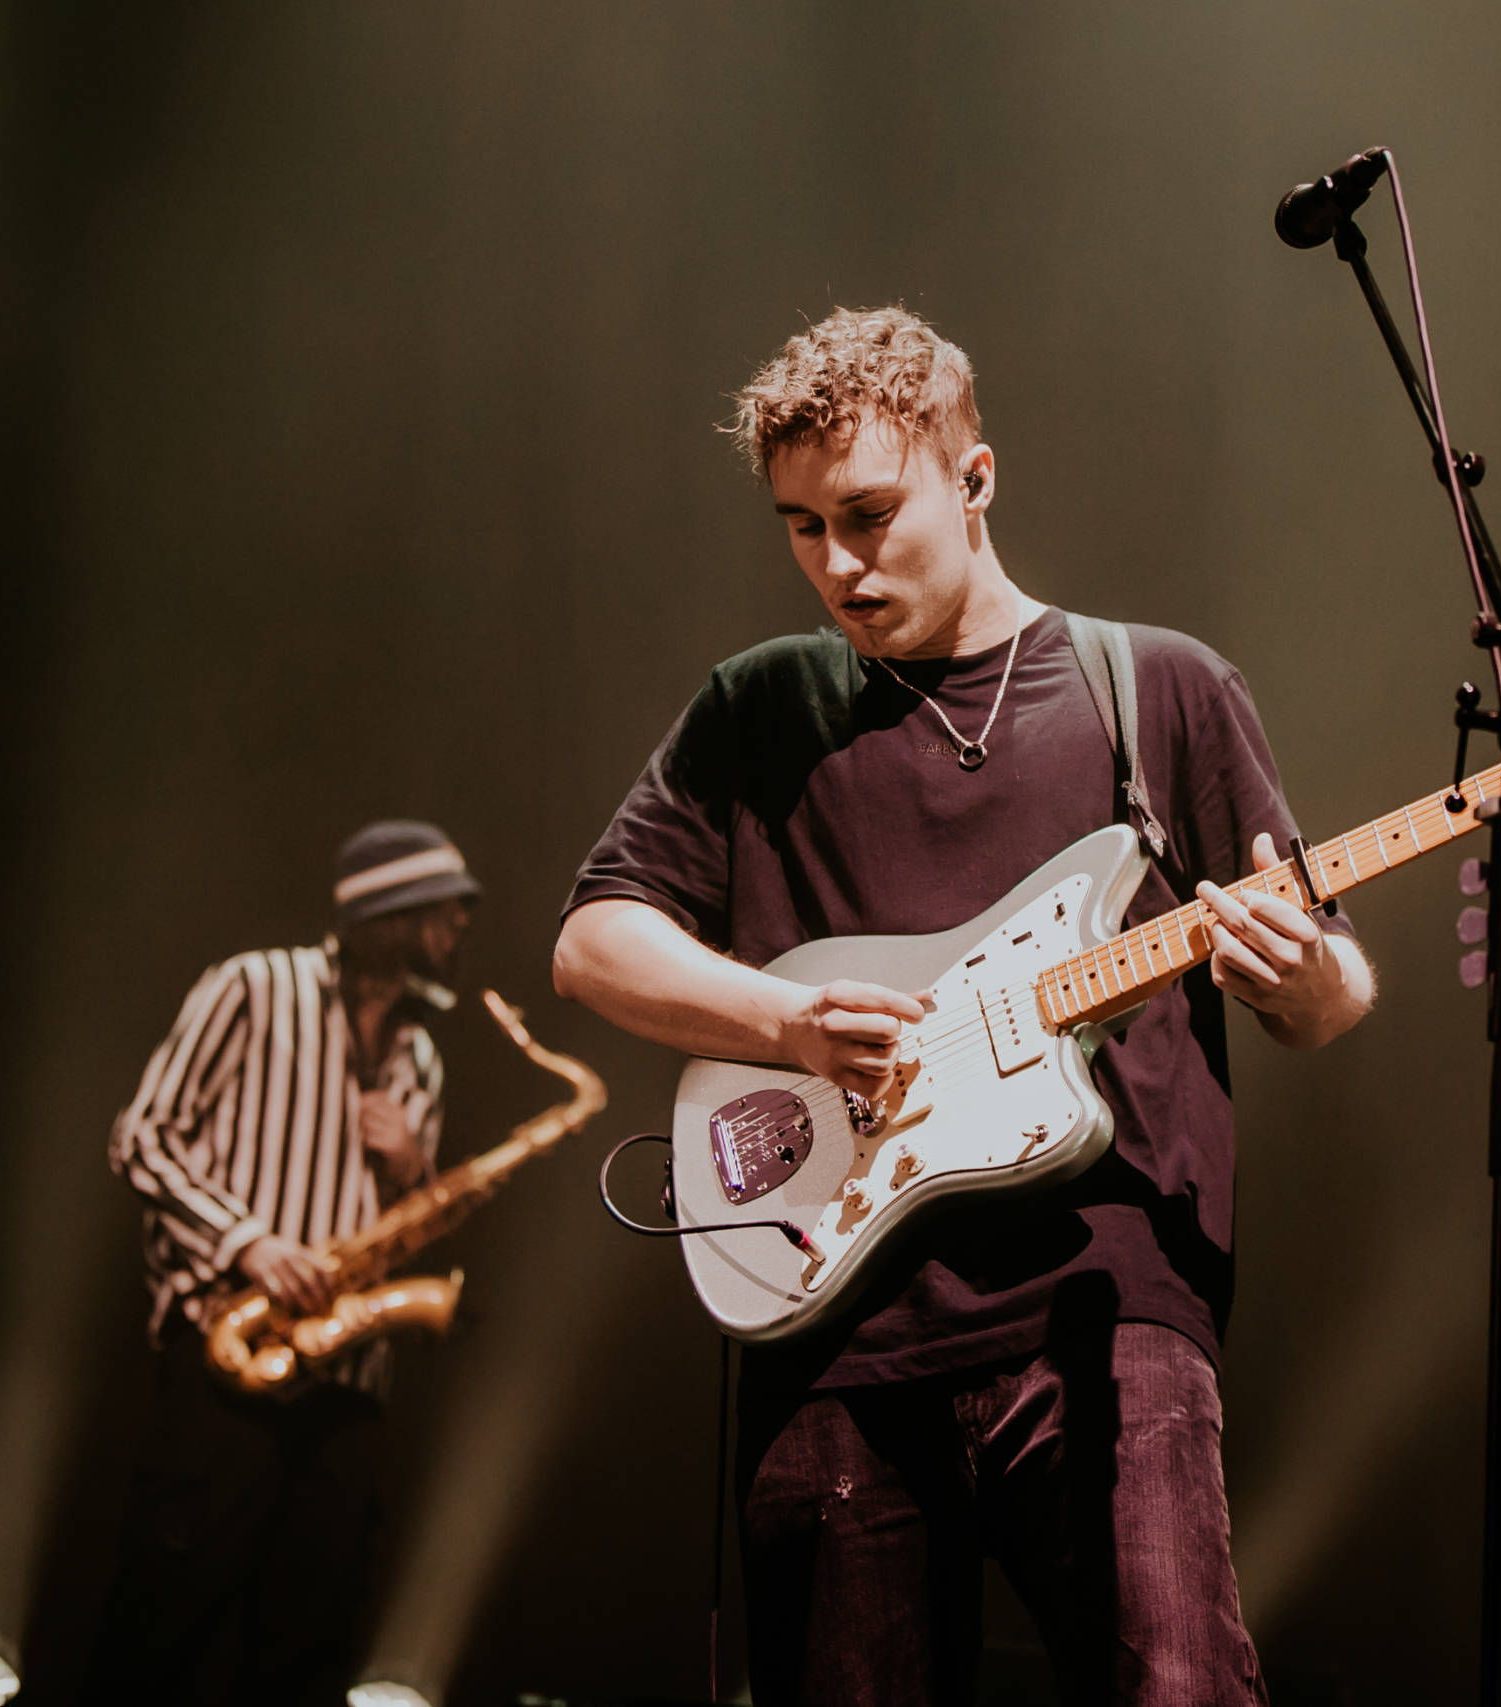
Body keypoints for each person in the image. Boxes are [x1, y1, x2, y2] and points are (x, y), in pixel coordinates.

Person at [553, 306, 1375, 1706]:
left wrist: (1303, 972)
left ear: (975, 477)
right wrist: (786, 1026)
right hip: (830, 1325)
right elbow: (593, 943)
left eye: (870, 513)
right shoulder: (757, 709)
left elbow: (1330, 987)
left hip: (1104, 1308)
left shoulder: (1154, 689)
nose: (839, 562)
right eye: (801, 526)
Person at [85, 820, 480, 1705]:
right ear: (395, 910)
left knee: (307, 1655)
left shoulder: (423, 1053)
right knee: (161, 1636)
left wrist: (417, 1173)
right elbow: (140, 1137)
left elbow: (411, 1228)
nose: (460, 928)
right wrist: (250, 1243)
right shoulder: (253, 985)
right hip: (226, 1360)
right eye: (447, 911)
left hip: (348, 1387)